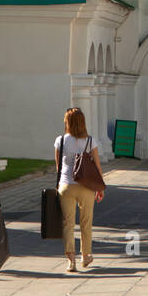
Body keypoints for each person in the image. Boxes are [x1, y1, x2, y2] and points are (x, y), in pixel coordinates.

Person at [54, 107, 104, 273]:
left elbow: (58, 167)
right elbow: (97, 166)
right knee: (86, 222)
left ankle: (71, 261)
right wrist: (100, 187)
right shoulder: (90, 141)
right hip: (87, 186)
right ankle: (86, 255)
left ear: (67, 122)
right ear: (83, 122)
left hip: (66, 185)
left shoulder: (60, 141)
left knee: (68, 223)